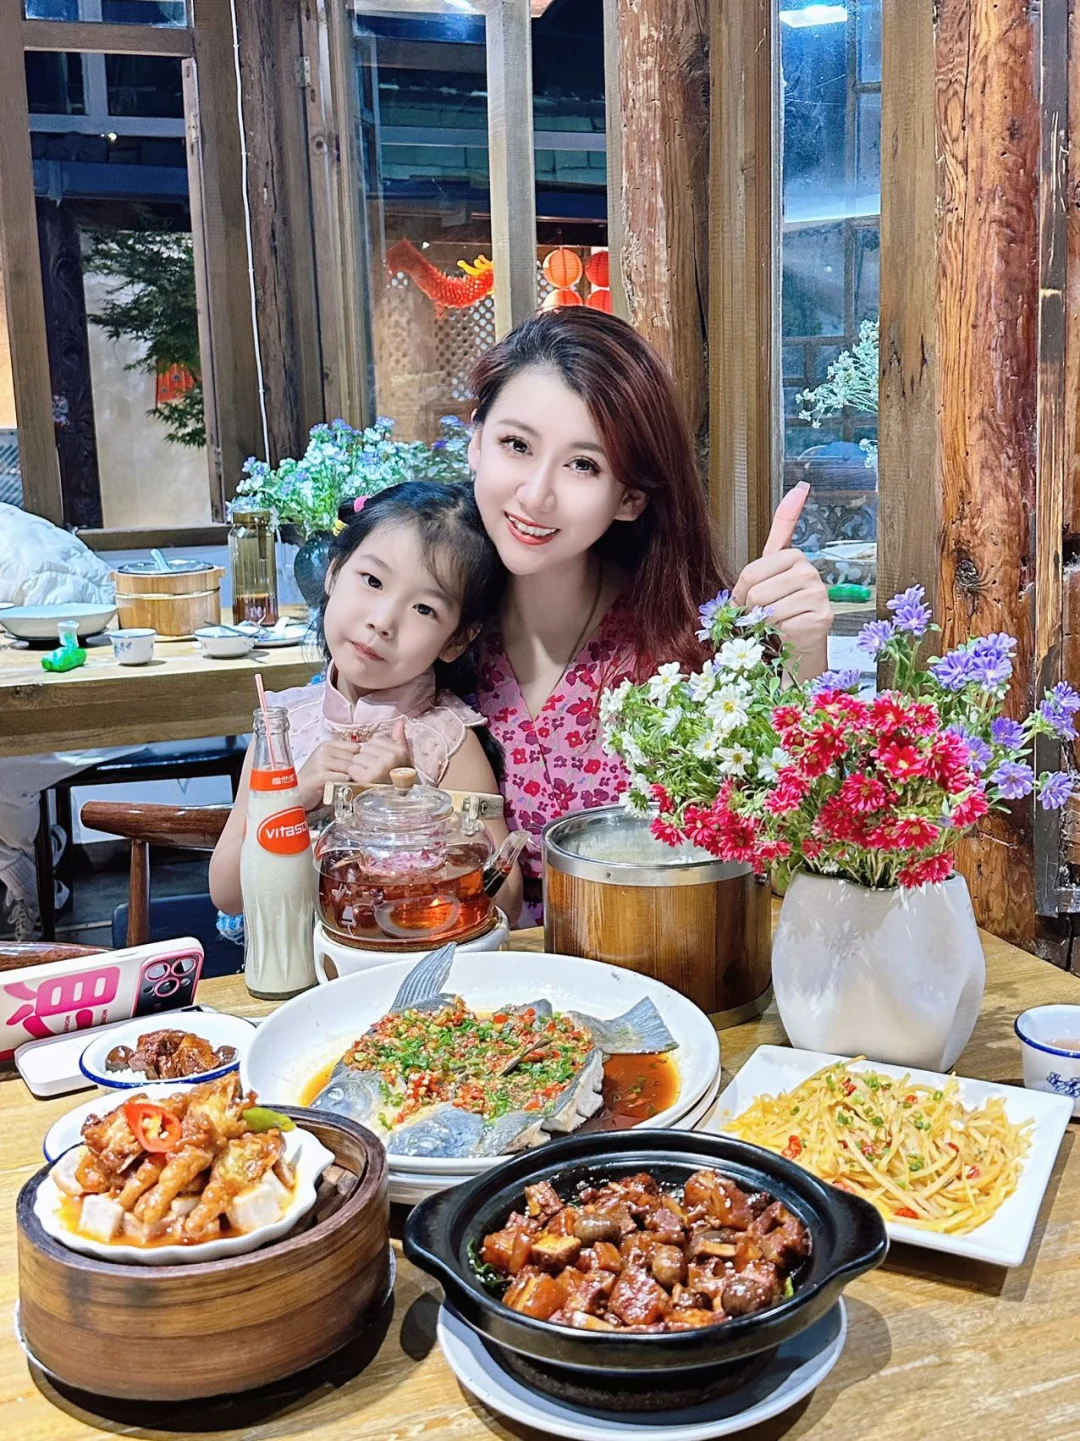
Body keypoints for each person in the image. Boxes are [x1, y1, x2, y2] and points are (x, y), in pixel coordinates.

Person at [468, 307, 833, 921]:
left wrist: (800, 660)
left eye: (583, 464)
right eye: (517, 445)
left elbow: (789, 870)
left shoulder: (693, 651)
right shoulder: (429, 625)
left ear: (631, 497)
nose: (536, 494)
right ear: (476, 441)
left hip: (663, 965)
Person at [209, 482, 523, 922]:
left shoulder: (446, 740)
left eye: (424, 609)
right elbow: (226, 892)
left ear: (457, 639)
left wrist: (409, 804)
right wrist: (293, 800)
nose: (382, 621)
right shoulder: (282, 727)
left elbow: (506, 899)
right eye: (373, 581)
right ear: (334, 571)